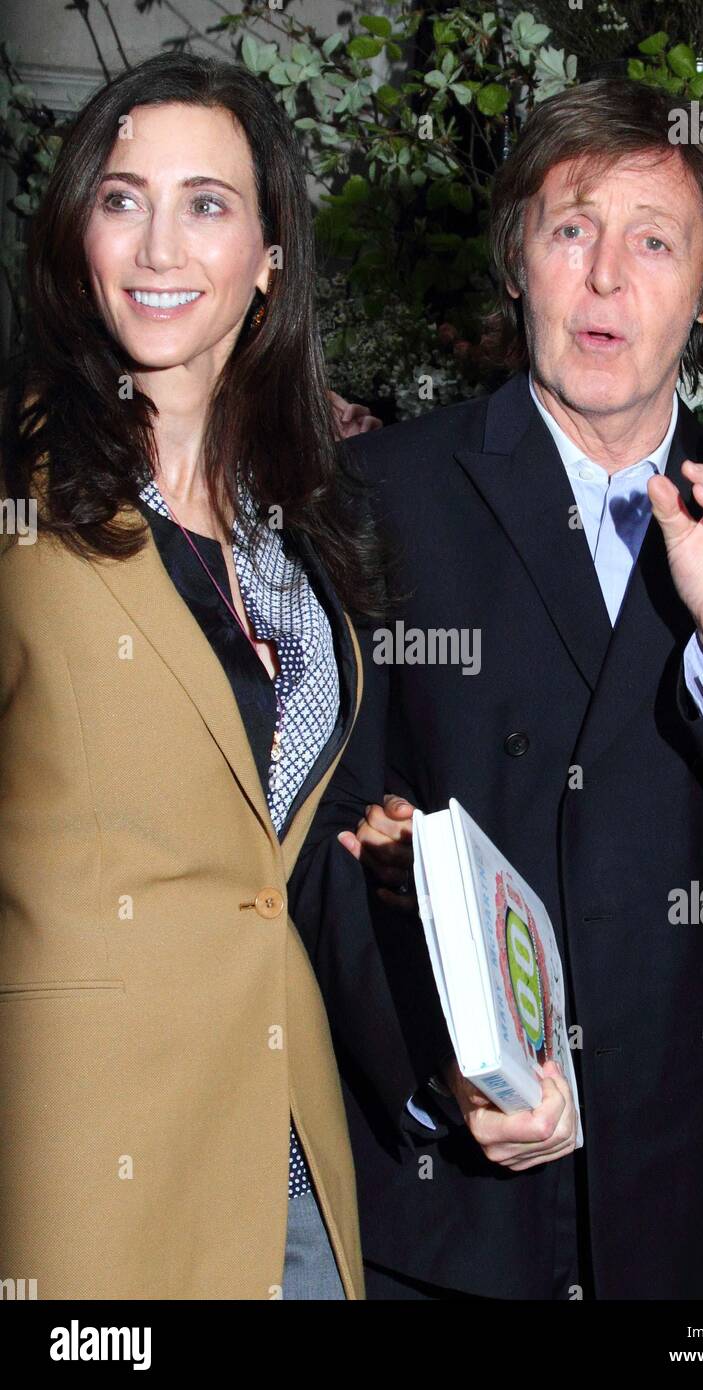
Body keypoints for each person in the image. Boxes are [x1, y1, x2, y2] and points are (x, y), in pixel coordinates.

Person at [288, 77, 703, 1300]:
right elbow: (323, 852)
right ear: (515, 265)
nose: (605, 279)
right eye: (568, 230)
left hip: (688, 1210)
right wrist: (438, 1085)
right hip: (453, 1224)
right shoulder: (380, 494)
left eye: (654, 241)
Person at [0, 52, 381, 1299]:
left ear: (269, 257)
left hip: (285, 1146)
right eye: (122, 198)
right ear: (77, 231)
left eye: (207, 203)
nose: (158, 244)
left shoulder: (298, 517)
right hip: (82, 1158)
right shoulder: (20, 487)